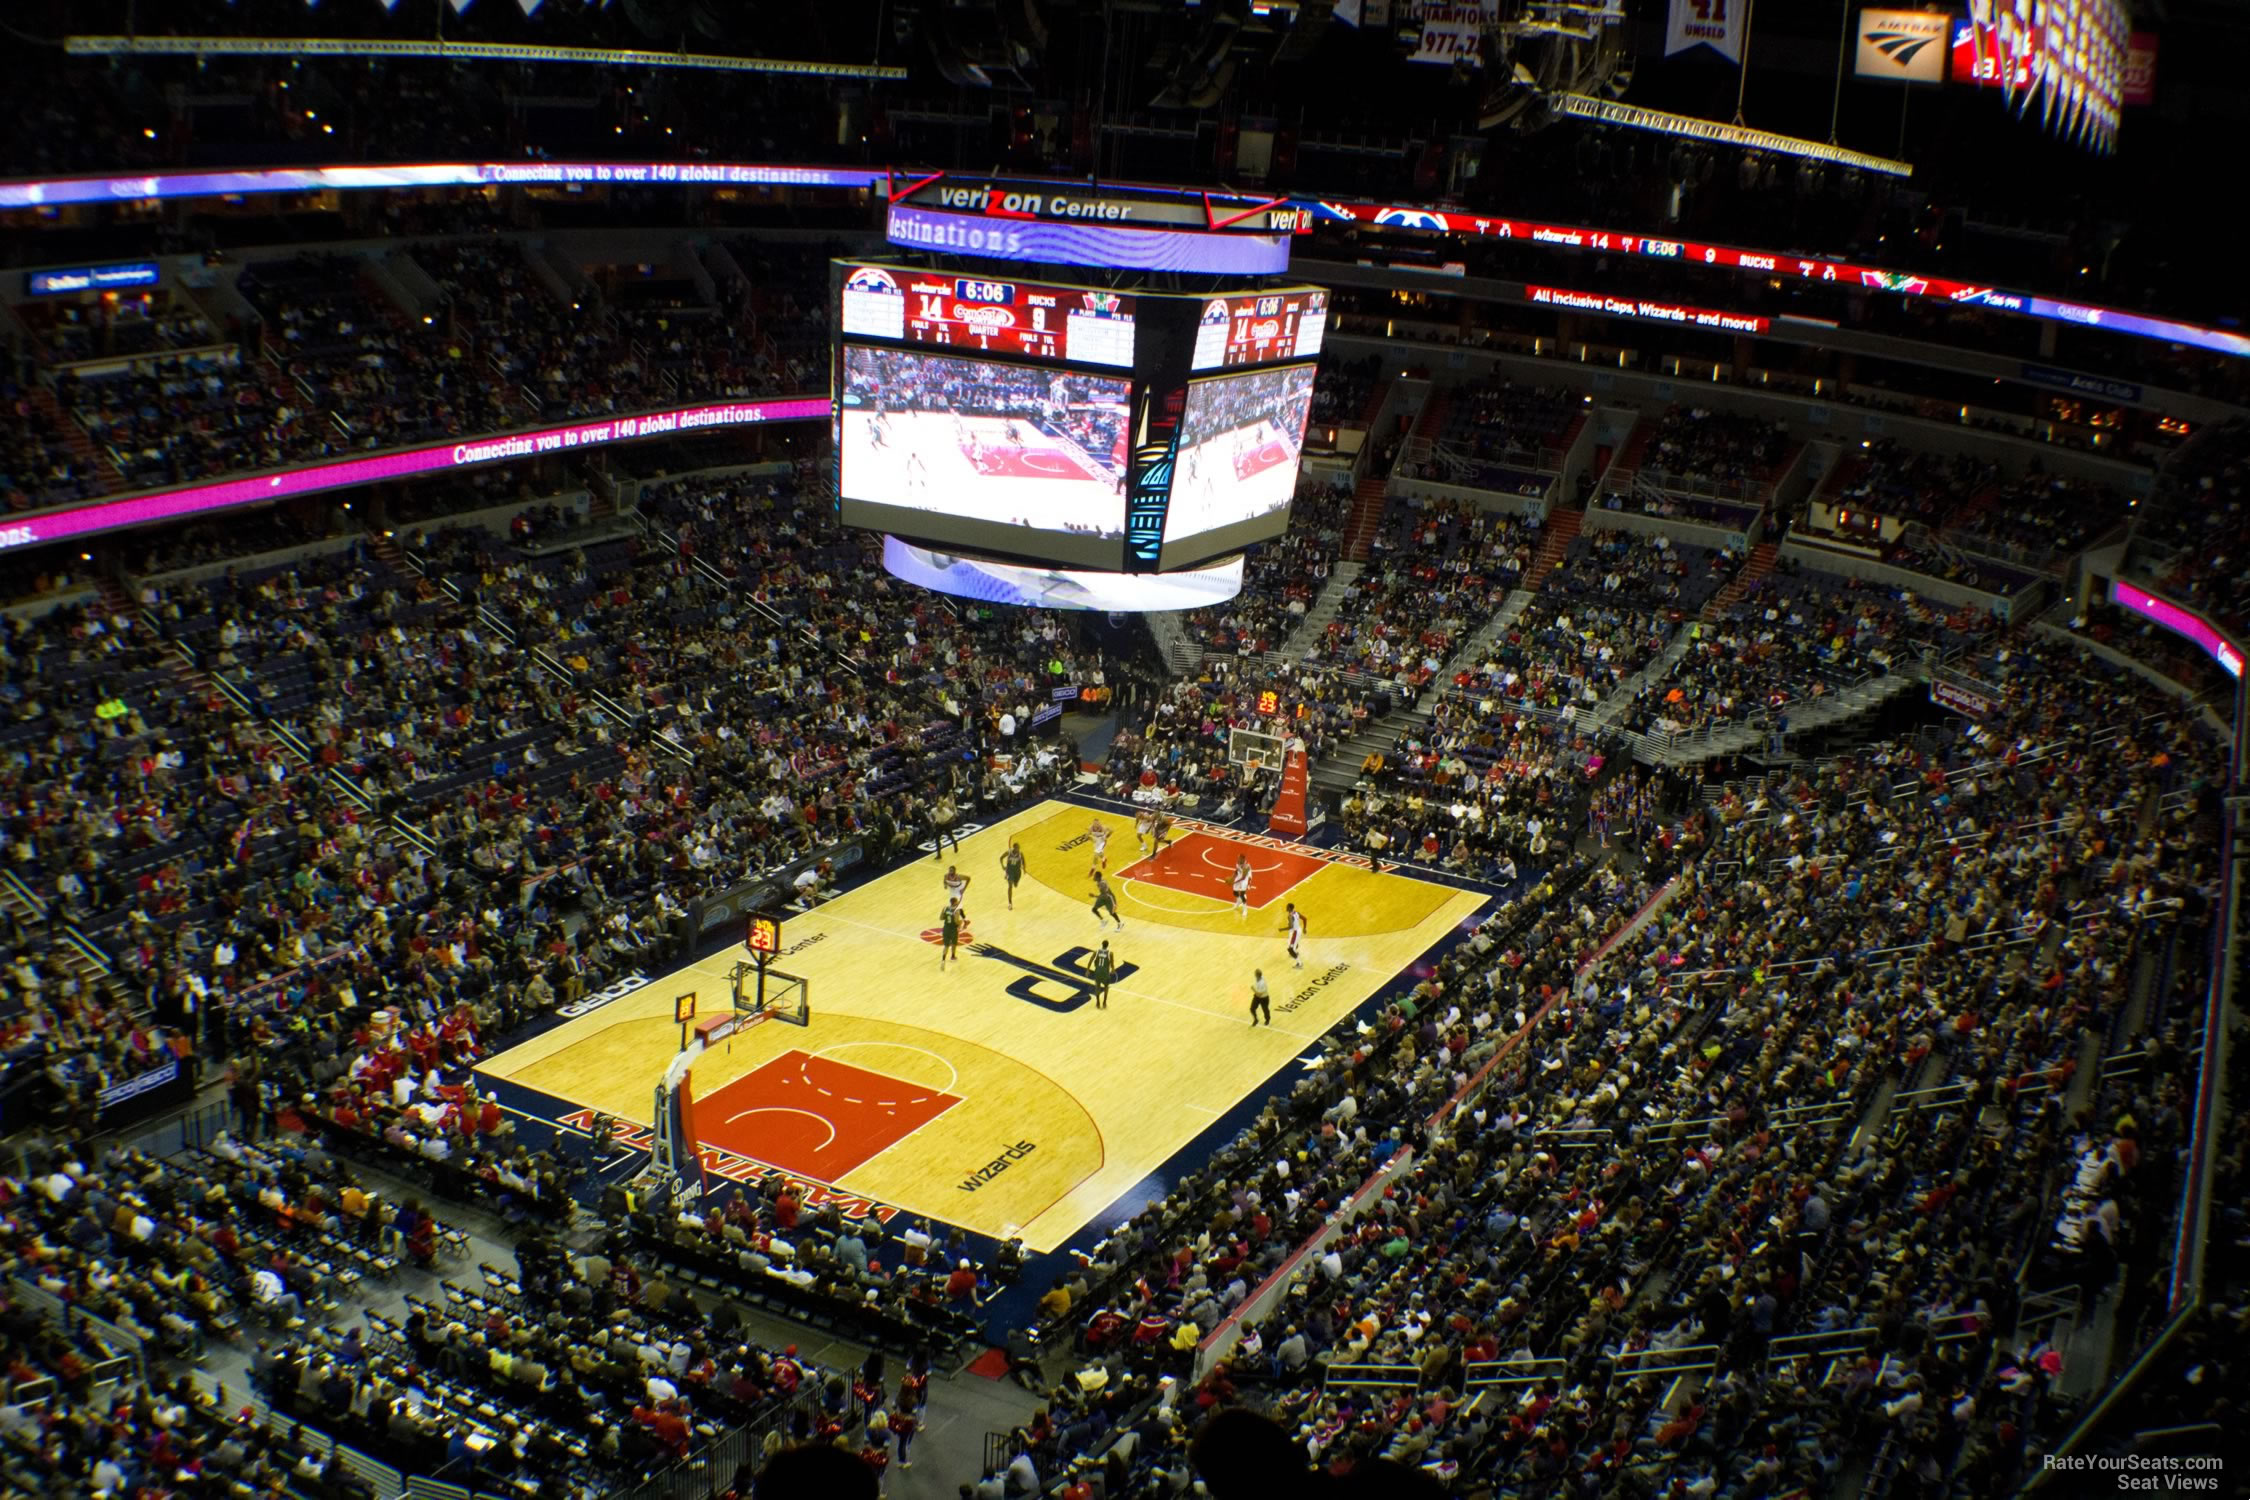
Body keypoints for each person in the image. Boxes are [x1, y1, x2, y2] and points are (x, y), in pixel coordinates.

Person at [933, 792, 960, 860]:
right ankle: (939, 854)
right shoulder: (933, 810)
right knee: (937, 840)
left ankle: (955, 843)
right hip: (939, 824)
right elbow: (931, 815)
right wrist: (934, 821)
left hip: (946, 824)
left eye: (940, 807)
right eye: (938, 807)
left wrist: (945, 822)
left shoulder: (946, 811)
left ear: (942, 807)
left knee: (950, 836)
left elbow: (953, 818)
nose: (939, 808)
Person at [1000, 841, 1026, 910]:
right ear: (1014, 848)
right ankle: (1010, 903)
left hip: (1017, 871)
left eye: (1019, 848)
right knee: (1010, 886)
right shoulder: (1009, 852)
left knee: (1015, 884)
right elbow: (1001, 858)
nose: (1018, 849)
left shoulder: (1020, 854)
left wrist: (1024, 868)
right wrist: (1002, 866)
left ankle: (1015, 882)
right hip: (1010, 871)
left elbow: (1023, 860)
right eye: (1017, 848)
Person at [1091, 940, 1114, 1009]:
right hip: (1105, 973)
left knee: (1097, 987)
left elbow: (1092, 960)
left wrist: (1088, 969)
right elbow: (1112, 963)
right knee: (1106, 987)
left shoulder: (1097, 951)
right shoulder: (1110, 953)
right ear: (1108, 945)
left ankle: (1097, 1002)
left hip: (1098, 971)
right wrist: (1113, 969)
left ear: (1102, 944)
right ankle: (1104, 1002)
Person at [1283, 902, 1307, 969]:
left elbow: (1290, 926)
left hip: (1295, 932)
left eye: (1287, 906)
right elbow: (1305, 919)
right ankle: (1295, 952)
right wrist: (1305, 928)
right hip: (1298, 931)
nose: (1286, 907)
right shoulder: (1296, 913)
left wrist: (1282, 929)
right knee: (1290, 945)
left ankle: (1300, 964)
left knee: (1291, 950)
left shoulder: (1290, 916)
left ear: (1290, 908)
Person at [938, 903, 962, 968]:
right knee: (954, 943)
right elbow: (956, 921)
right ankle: (953, 956)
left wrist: (943, 912)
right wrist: (960, 922)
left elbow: (941, 918)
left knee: (946, 946)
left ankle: (943, 959)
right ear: (955, 903)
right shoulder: (956, 911)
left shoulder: (946, 908)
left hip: (946, 929)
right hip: (953, 930)